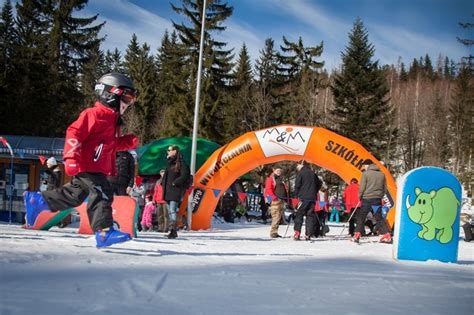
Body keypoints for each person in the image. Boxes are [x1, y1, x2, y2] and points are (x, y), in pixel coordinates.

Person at [23, 72, 139, 248]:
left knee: (74, 196)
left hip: (96, 166)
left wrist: (125, 142)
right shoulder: (94, 114)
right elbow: (74, 133)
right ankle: (104, 231)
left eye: (131, 100)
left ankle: (38, 201)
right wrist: (70, 158)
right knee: (102, 192)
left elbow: (108, 145)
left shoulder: (112, 121)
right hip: (88, 166)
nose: (128, 104)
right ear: (111, 93)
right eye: (127, 98)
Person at [354, 159, 391, 243]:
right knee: (378, 217)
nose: (364, 167)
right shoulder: (382, 174)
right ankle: (387, 234)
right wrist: (380, 196)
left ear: (368, 165)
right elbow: (385, 188)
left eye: (364, 165)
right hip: (377, 199)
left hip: (366, 199)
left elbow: (362, 187)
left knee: (361, 216)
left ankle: (357, 233)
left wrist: (360, 196)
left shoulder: (365, 174)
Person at [162, 145, 190, 239]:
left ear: (175, 151)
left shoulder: (181, 162)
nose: (168, 152)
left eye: (169, 150)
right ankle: (172, 230)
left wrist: (175, 183)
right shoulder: (170, 163)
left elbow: (185, 175)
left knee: (172, 210)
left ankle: (173, 230)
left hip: (175, 190)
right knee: (170, 211)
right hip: (167, 191)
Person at [293, 160, 322, 241]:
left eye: (297, 165)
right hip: (312, 198)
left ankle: (297, 232)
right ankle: (308, 234)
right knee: (310, 216)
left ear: (301, 165)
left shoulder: (301, 173)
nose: (297, 167)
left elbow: (297, 185)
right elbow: (319, 184)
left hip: (303, 198)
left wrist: (295, 195)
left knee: (299, 214)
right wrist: (314, 192)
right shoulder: (313, 174)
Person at [264, 166, 289, 238]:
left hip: (282, 200)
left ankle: (275, 231)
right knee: (276, 216)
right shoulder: (270, 178)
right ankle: (273, 232)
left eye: (280, 170)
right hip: (275, 200)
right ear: (273, 170)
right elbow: (268, 189)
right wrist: (273, 197)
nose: (279, 172)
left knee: (279, 216)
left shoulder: (281, 179)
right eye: (277, 170)